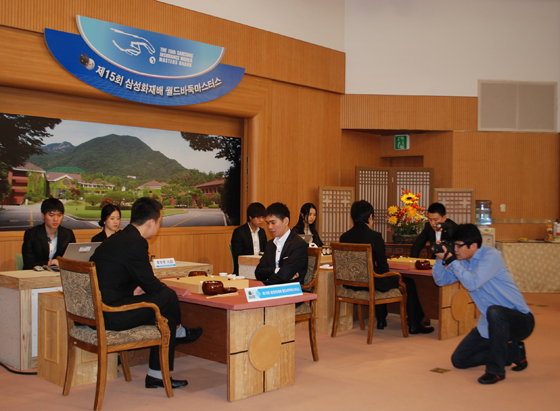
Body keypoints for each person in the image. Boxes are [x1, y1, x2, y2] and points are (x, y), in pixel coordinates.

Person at [90, 197, 202, 389]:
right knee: (168, 296)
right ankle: (178, 331)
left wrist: (135, 288)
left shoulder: (118, 238)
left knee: (165, 317)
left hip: (95, 312)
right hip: (111, 314)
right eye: (159, 222)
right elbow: (151, 284)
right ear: (151, 223)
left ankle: (156, 375)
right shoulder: (136, 242)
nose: (158, 226)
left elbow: (114, 275)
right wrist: (159, 288)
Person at [433, 223, 534, 385]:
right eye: (454, 245)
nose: (455, 249)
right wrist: (440, 260)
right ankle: (514, 352)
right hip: (490, 323)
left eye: (459, 245)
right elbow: (441, 280)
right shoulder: (463, 262)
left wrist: (451, 260)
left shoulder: (491, 256)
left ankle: (496, 371)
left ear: (473, 246)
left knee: (495, 312)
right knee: (459, 360)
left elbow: (473, 283)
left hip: (520, 320)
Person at [339, 200, 434, 334]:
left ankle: (382, 320)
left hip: (351, 284)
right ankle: (414, 324)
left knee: (379, 277)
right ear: (370, 217)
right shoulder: (374, 237)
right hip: (371, 283)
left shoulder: (344, 237)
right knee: (408, 283)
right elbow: (383, 267)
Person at [255, 202, 308, 285]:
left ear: (286, 221)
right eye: (268, 223)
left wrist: (267, 280)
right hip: (271, 288)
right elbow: (258, 272)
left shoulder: (298, 244)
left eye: (273, 223)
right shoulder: (270, 244)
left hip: (290, 290)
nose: (269, 227)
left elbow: (285, 276)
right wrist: (277, 270)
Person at [22, 198, 76, 270]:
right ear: (43, 216)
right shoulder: (31, 234)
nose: (56, 219)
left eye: (59, 215)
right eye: (51, 215)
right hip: (35, 273)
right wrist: (49, 263)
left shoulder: (68, 234)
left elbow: (73, 259)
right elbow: (28, 264)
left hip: (59, 274)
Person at [230, 202, 267, 274]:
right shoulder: (239, 232)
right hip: (244, 267)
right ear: (250, 217)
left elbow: (265, 250)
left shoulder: (262, 232)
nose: (261, 220)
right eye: (258, 217)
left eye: (263, 217)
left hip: (260, 267)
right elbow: (238, 255)